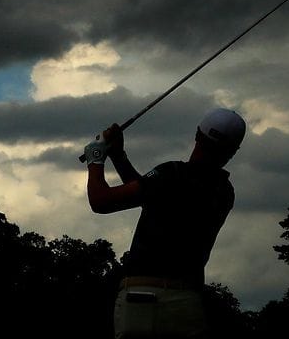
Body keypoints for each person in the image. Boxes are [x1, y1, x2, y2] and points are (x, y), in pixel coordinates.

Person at [84, 107, 247, 338]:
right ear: (233, 150)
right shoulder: (223, 191)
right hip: (186, 303)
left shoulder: (170, 173)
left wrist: (95, 157)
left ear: (197, 135)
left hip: (139, 299)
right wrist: (119, 156)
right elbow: (149, 196)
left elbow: (101, 202)